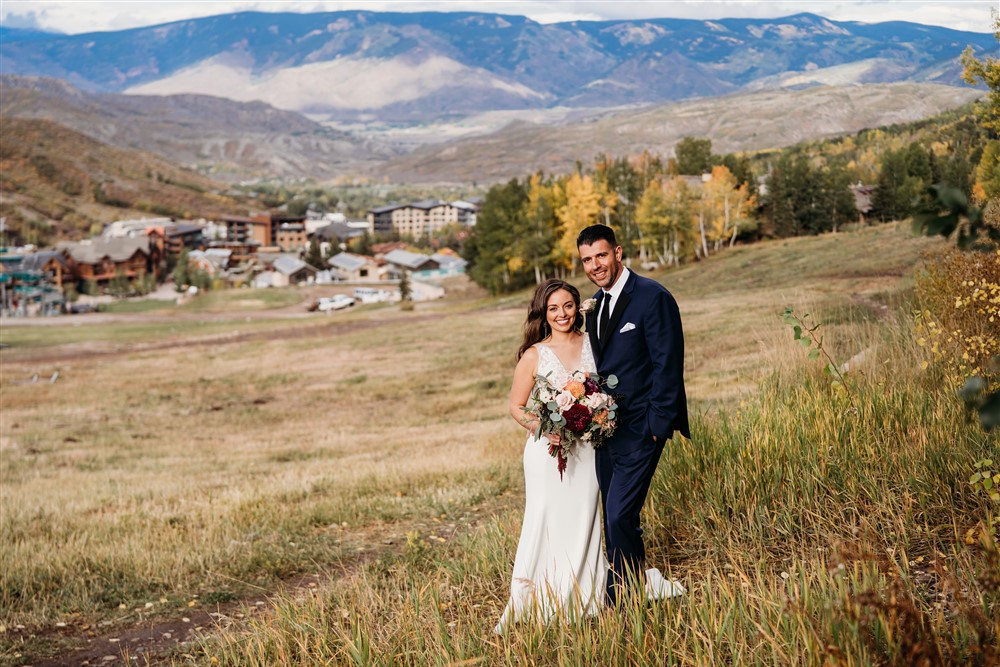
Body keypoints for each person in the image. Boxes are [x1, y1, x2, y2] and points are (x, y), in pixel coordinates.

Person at [576, 223, 690, 606]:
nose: (595, 265)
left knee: (619, 514)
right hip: (606, 431)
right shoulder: (595, 304)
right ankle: (628, 588)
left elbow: (667, 364)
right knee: (615, 518)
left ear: (618, 252)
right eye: (587, 260)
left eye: (601, 255)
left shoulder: (652, 297)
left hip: (642, 427)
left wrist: (657, 426)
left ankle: (621, 601)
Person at [495, 279, 607, 633]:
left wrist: (599, 413)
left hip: (587, 449)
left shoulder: (594, 343)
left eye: (568, 306)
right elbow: (516, 407)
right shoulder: (534, 354)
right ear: (543, 313)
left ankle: (588, 594)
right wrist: (545, 428)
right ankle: (545, 595)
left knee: (585, 515)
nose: (562, 314)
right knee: (548, 519)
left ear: (577, 307)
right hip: (548, 452)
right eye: (553, 308)